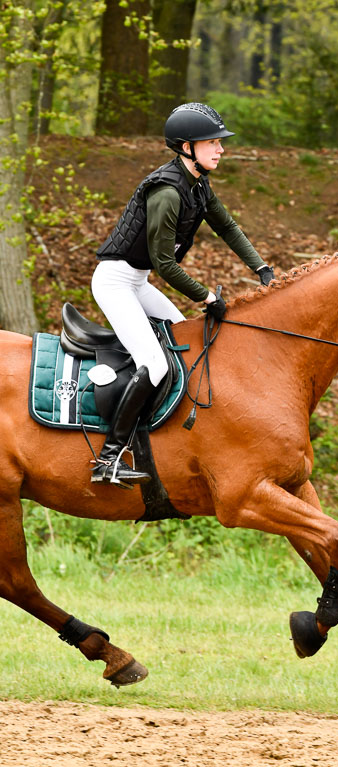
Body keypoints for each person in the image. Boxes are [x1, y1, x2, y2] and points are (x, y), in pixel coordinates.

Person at [90, 102, 274, 488]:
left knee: (183, 339)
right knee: (155, 364)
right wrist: (207, 297)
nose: (220, 149)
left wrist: (261, 269)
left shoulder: (198, 185)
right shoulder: (168, 193)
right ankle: (108, 459)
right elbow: (163, 264)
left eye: (219, 143)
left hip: (136, 282)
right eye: (212, 143)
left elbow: (228, 228)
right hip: (115, 282)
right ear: (187, 147)